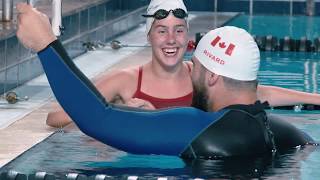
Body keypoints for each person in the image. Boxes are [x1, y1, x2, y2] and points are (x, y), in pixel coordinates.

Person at [16, 3, 315, 158]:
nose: (189, 69)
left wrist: (45, 44)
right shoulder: (291, 136)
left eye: (194, 67)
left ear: (212, 76)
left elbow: (96, 117)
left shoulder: (196, 126)